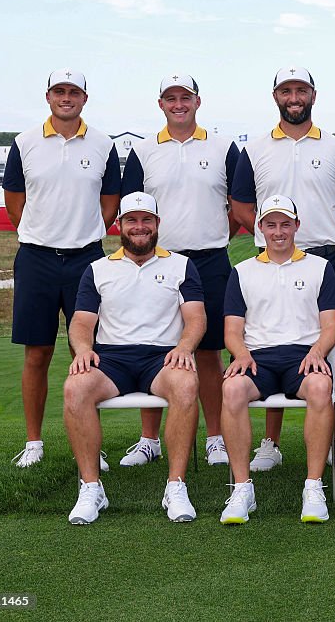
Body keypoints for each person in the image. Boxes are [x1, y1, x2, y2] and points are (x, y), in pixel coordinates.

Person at [231, 66, 335, 473]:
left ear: (313, 95)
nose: (294, 97)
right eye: (286, 91)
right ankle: (270, 443)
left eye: (300, 90)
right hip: (269, 261)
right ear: (276, 97)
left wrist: (320, 235)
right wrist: (271, 236)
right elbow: (241, 205)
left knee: (330, 352)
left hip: (325, 258)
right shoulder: (255, 150)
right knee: (270, 345)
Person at [120, 73, 240, 468]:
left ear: (197, 101)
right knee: (153, 347)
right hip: (158, 262)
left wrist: (215, 234)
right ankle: (149, 439)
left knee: (208, 353)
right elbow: (133, 210)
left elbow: (238, 204)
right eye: (170, 98)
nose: (178, 104)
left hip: (210, 260)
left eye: (185, 97)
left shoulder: (223, 148)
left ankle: (216, 438)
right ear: (161, 104)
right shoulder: (143, 151)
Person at [63, 192, 205, 524]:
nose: (139, 227)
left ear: (157, 224)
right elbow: (81, 322)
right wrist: (83, 351)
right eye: (131, 220)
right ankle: (91, 487)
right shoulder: (98, 269)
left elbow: (196, 318)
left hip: (162, 358)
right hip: (112, 359)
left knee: (186, 385)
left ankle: (176, 486)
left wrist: (184, 348)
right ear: (119, 225)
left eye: (146, 220)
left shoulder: (181, 265)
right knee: (75, 388)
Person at [3, 68, 121, 469]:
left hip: (86, 260)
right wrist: (42, 234)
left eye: (73, 91)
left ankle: (90, 445)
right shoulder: (25, 142)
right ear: (48, 96)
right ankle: (34, 442)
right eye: (59, 91)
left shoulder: (103, 144)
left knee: (85, 353)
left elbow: (109, 203)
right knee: (37, 352)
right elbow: (15, 201)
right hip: (36, 258)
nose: (66, 97)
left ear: (84, 98)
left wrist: (82, 234)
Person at [219, 195, 335, 524]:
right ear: (260, 227)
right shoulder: (242, 271)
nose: (278, 232)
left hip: (304, 356)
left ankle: (313, 487)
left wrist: (317, 352)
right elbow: (232, 330)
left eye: (285, 224)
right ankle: (242, 489)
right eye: (271, 225)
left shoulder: (320, 268)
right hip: (257, 357)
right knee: (231, 389)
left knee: (320, 388)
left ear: (297, 226)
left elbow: (331, 326)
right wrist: (241, 353)